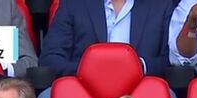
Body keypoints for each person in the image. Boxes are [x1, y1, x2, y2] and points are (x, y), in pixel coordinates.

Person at [38, 0, 172, 78]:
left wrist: (139, 66)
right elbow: (50, 58)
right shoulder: (74, 3)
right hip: (82, 86)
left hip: (141, 87)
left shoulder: (162, 4)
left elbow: (172, 59)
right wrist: (88, 70)